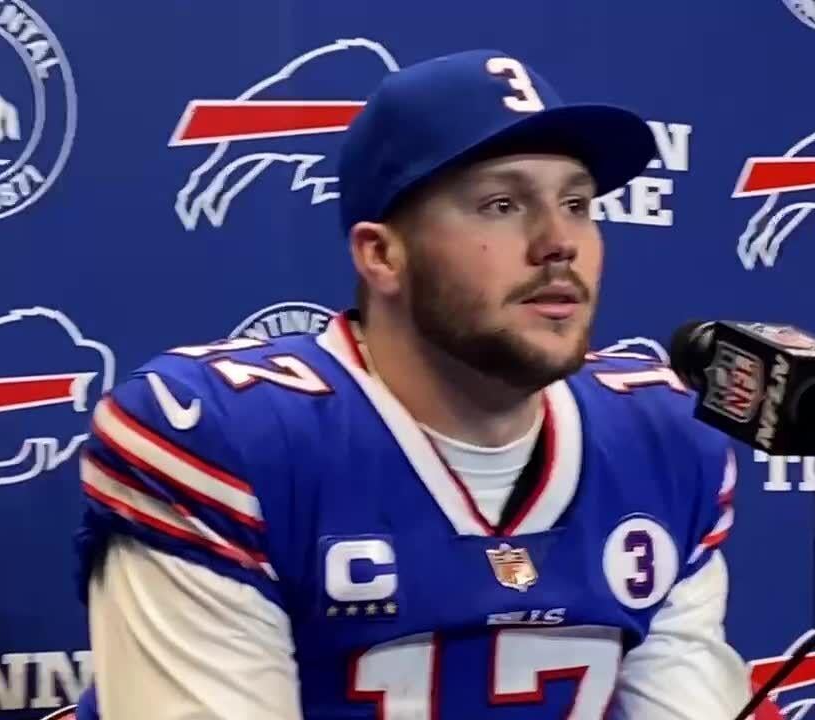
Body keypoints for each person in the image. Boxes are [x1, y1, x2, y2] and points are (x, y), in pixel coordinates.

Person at [69, 48, 757, 719]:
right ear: (381, 254)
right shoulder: (230, 440)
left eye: (577, 203)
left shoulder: (661, 441)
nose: (559, 242)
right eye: (501, 204)